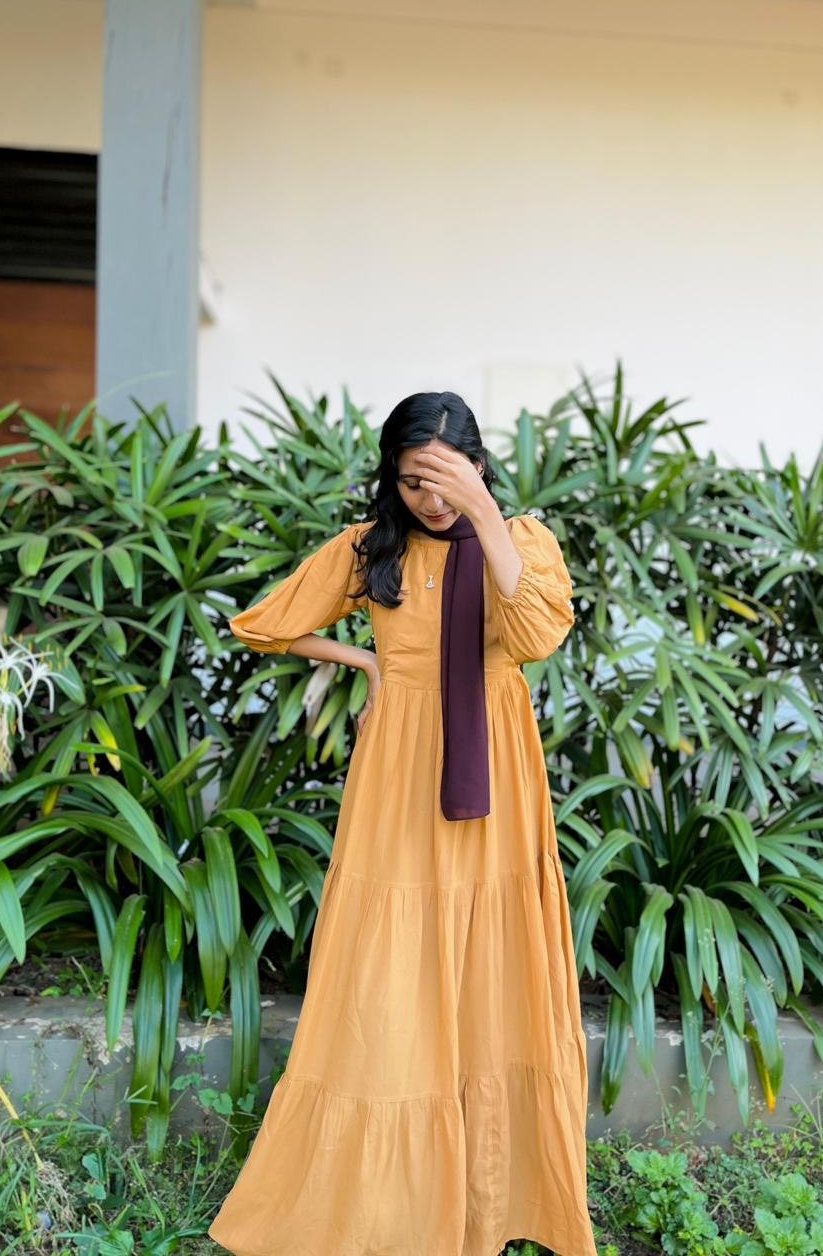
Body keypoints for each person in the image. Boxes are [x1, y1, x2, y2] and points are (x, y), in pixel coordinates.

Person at [209, 391, 597, 1256]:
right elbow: (263, 626)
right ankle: (387, 1207)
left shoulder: (523, 541)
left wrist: (482, 512)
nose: (430, 498)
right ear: (392, 478)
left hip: (496, 766)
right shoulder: (370, 547)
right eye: (414, 480)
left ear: (479, 468)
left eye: (446, 478)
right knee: (392, 958)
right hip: (400, 770)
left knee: (493, 957)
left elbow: (537, 634)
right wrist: (366, 661)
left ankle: (493, 1200)